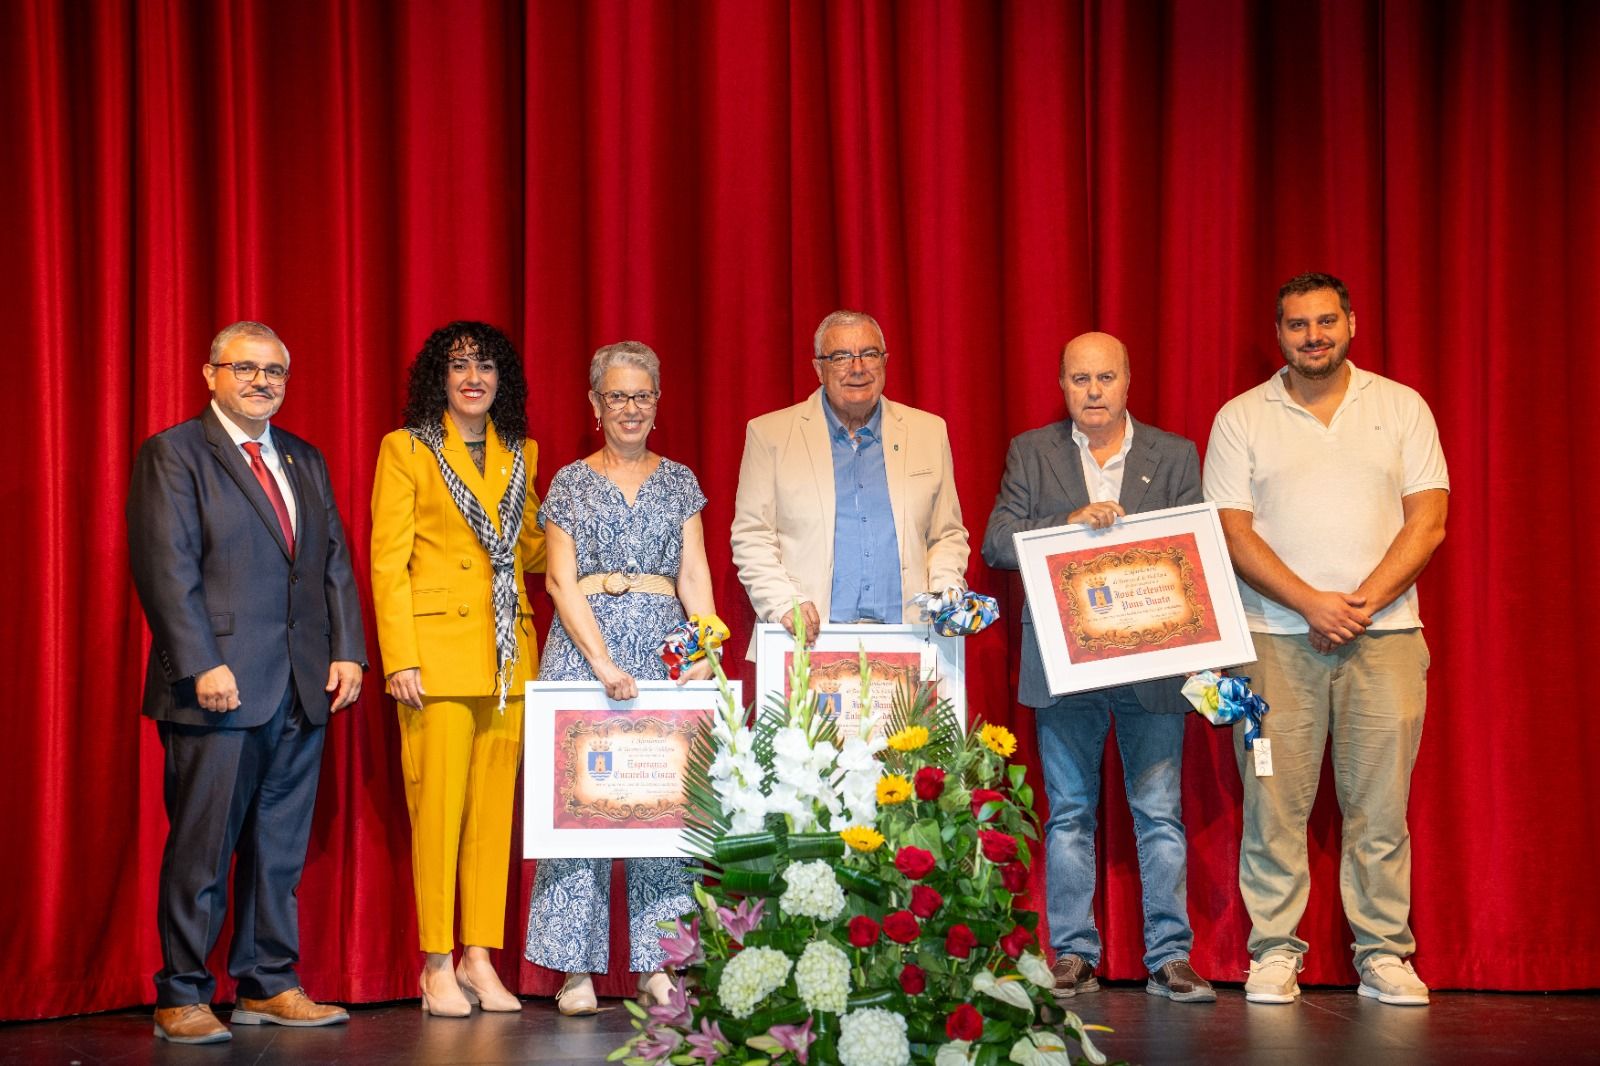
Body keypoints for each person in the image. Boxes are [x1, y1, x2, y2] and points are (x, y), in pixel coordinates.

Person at [1204, 272, 1449, 1006]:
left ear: (1352, 324)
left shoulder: (1402, 407)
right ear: (1277, 334)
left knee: (1381, 806)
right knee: (1273, 802)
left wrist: (1359, 605)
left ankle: (1383, 954)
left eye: (1325, 321)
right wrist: (1312, 603)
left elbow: (1429, 520)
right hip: (1274, 640)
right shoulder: (1241, 417)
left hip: (1388, 637)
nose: (1313, 336)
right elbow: (1231, 529)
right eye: (1296, 325)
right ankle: (1274, 951)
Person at [127, 321, 365, 1044]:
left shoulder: (303, 458)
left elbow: (331, 561)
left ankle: (267, 983)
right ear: (211, 375)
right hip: (218, 686)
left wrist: (348, 649)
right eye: (246, 369)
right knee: (202, 846)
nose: (263, 382)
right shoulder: (174, 453)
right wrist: (201, 663)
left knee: (279, 846)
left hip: (299, 685)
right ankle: (182, 994)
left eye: (275, 372)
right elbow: (166, 568)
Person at [982, 332, 1215, 1005]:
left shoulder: (1174, 455)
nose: (1092, 392)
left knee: (1160, 815)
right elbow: (998, 542)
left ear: (1127, 381)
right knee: (1070, 816)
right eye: (1079, 379)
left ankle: (1171, 956)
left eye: (1104, 378)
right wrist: (1069, 522)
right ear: (1061, 384)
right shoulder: (1033, 451)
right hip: (1064, 662)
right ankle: (1074, 955)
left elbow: (1193, 552)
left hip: (1154, 665)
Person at [523, 341, 717, 1016]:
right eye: (617, 397)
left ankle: (658, 965)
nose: (629, 409)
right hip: (584, 651)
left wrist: (706, 644)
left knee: (661, 808)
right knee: (579, 806)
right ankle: (572, 969)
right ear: (595, 406)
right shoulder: (571, 482)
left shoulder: (681, 480)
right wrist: (601, 661)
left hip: (663, 650)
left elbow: (694, 573)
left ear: (657, 405)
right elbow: (557, 579)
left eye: (641, 397)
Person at [370, 322, 546, 1017]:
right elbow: (388, 560)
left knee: (492, 816)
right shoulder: (407, 448)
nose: (474, 377)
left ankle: (480, 957)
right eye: (459, 365)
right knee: (438, 814)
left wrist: (559, 527)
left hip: (508, 657)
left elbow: (528, 552)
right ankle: (435, 961)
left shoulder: (522, 452)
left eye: (487, 366)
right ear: (438, 380)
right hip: (436, 657)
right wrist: (399, 657)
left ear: (503, 380)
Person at [731, 309, 969, 644]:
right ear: (819, 368)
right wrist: (783, 602)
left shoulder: (928, 431)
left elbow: (946, 534)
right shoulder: (769, 434)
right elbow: (752, 536)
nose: (857, 368)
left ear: (885, 362)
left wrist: (944, 590)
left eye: (869, 354)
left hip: (911, 639)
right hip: (807, 640)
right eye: (841, 357)